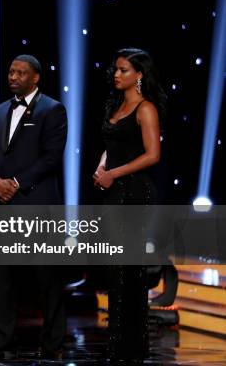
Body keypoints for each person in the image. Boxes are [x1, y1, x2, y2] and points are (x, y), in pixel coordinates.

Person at [0, 55, 68, 359]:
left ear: (35, 77)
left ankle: (53, 342)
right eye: (11, 72)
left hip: (35, 203)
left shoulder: (52, 109)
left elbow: (51, 158)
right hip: (0, 204)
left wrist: (14, 182)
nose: (13, 76)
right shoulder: (1, 110)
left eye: (20, 73)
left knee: (46, 277)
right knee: (2, 277)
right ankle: (3, 337)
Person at [93, 48, 166, 362]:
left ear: (138, 74)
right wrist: (100, 169)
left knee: (129, 270)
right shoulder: (115, 105)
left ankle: (131, 347)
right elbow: (110, 145)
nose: (116, 74)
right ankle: (118, 344)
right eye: (115, 69)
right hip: (113, 192)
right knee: (115, 269)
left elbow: (152, 155)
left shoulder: (145, 108)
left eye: (123, 70)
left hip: (135, 193)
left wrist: (113, 174)